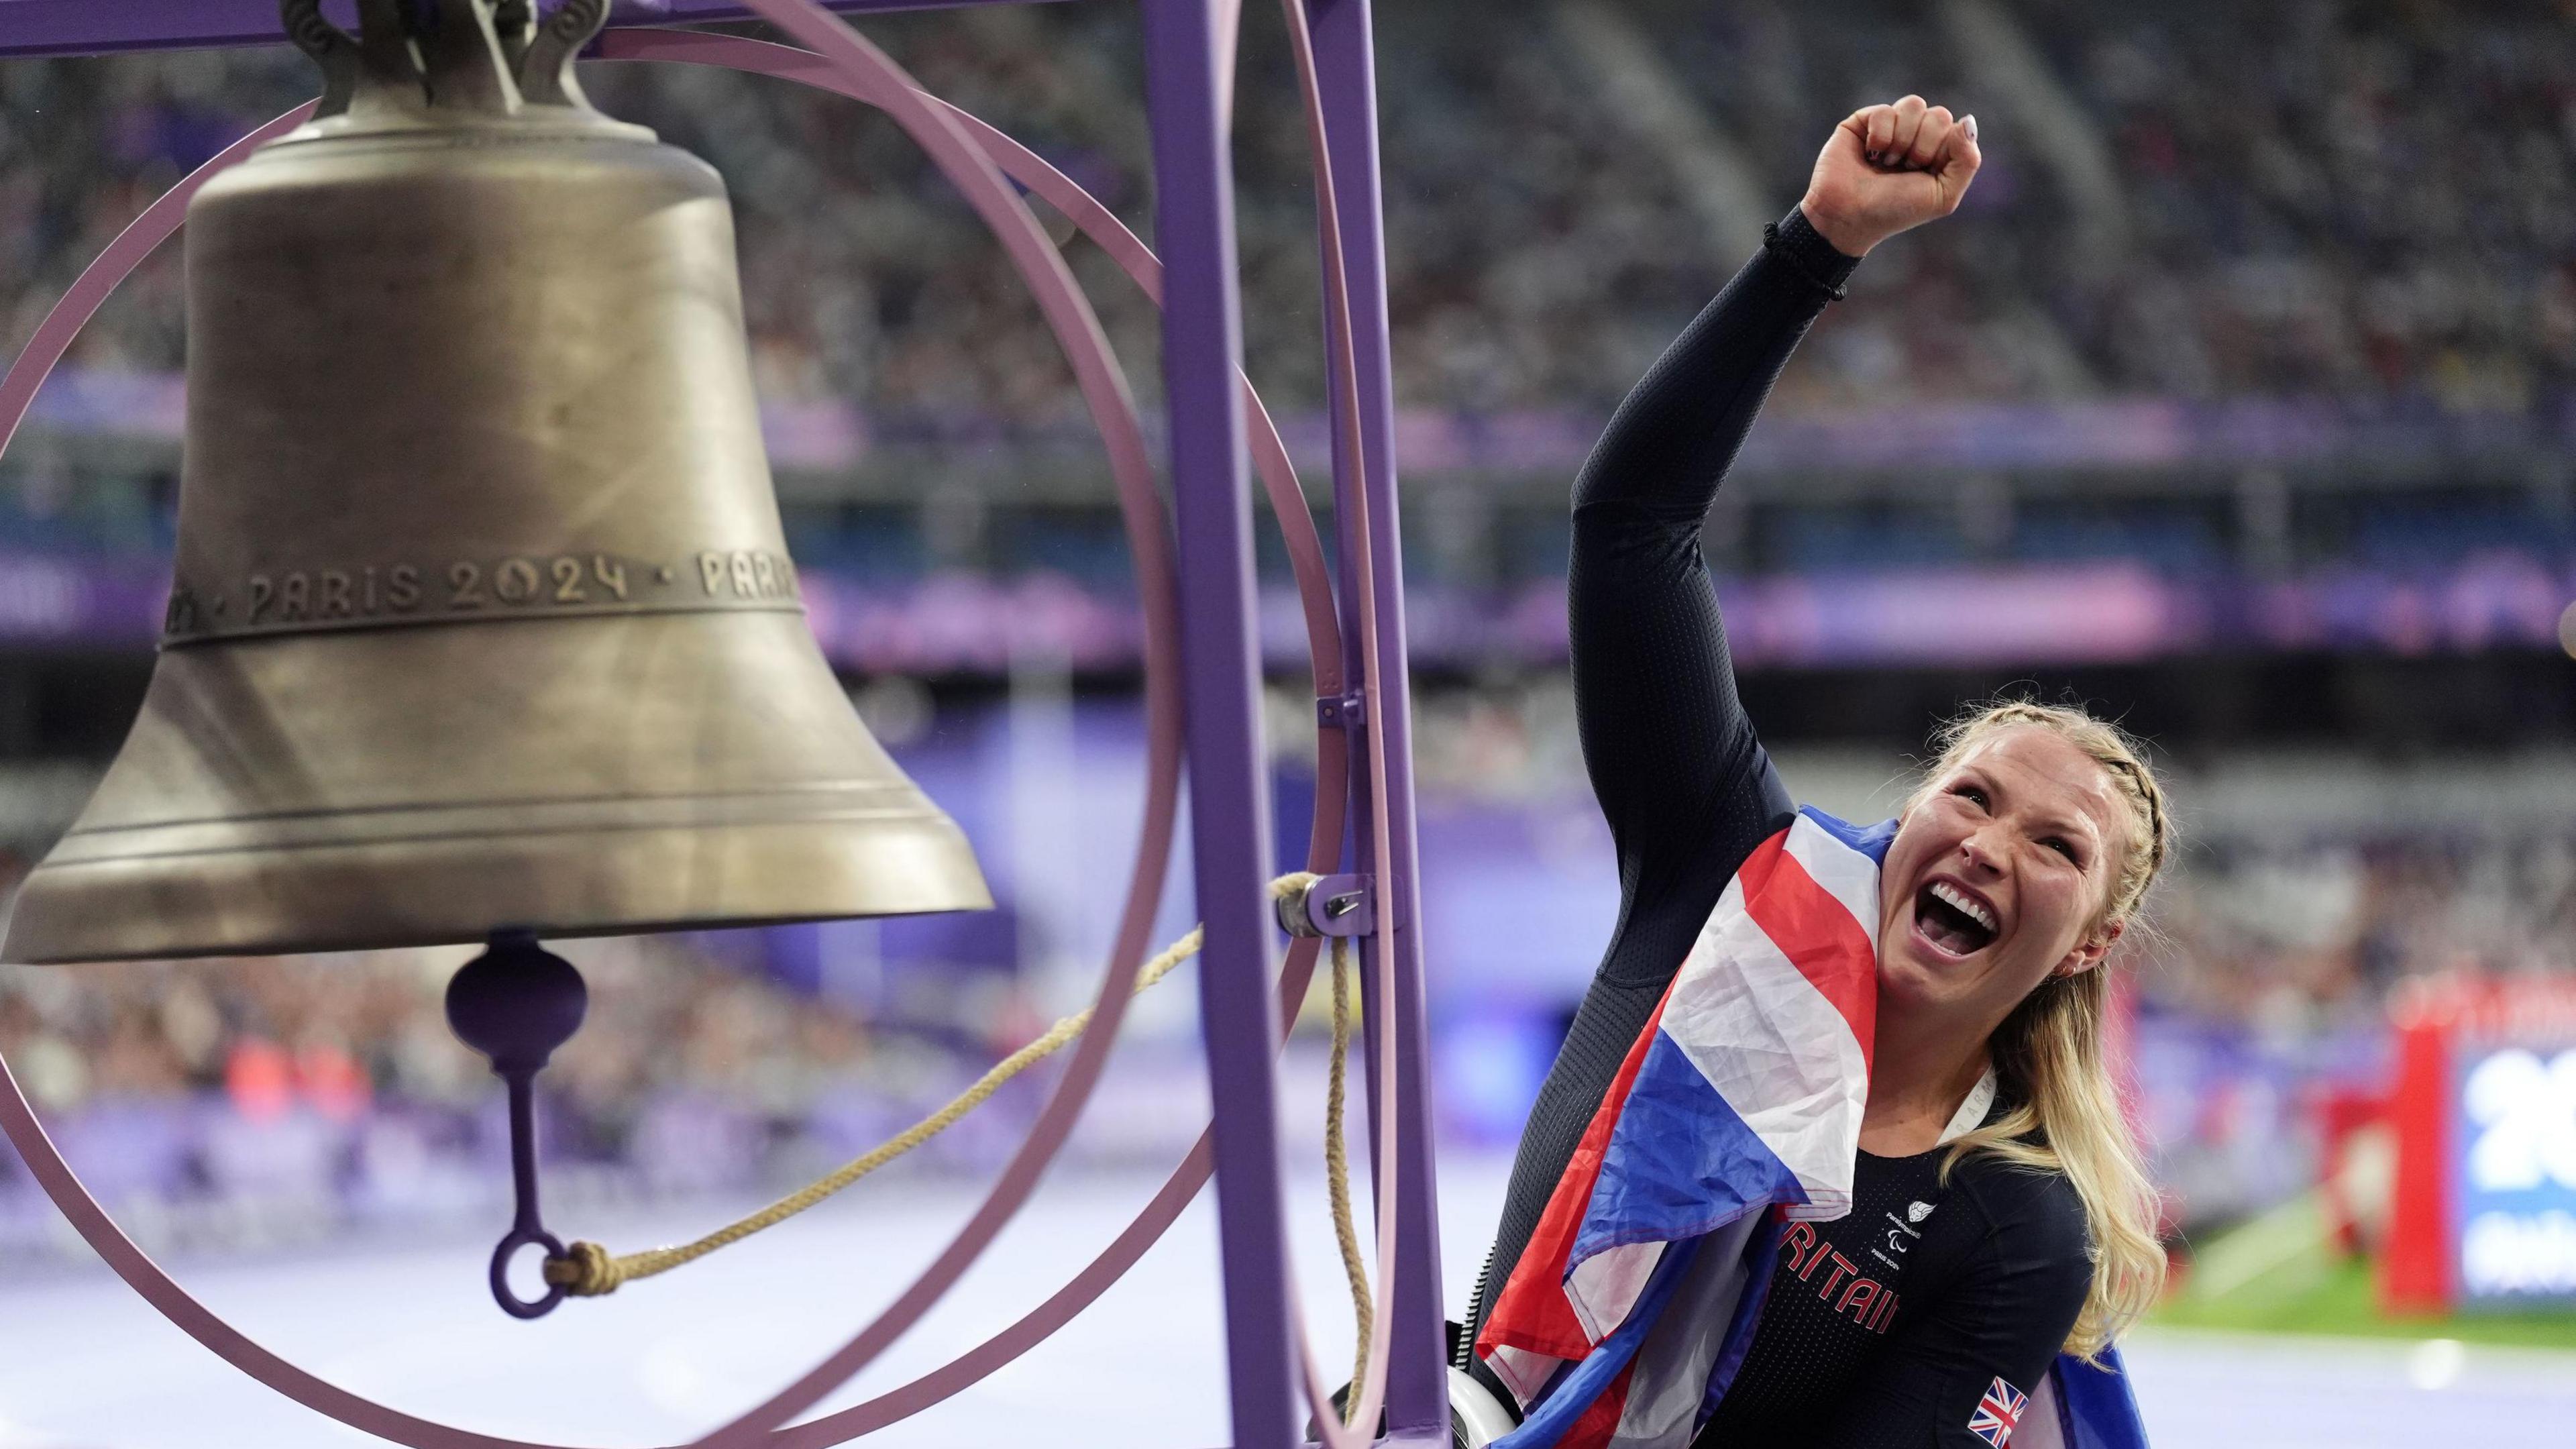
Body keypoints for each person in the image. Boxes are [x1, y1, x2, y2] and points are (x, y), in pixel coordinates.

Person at [1460, 97, 2172, 1447]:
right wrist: (1817, 245)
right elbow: (1631, 530)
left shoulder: (2017, 1227)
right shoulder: (1733, 880)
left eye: (2057, 849)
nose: (1992, 846)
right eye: (1972, 797)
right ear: (1905, 821)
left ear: (2095, 941)